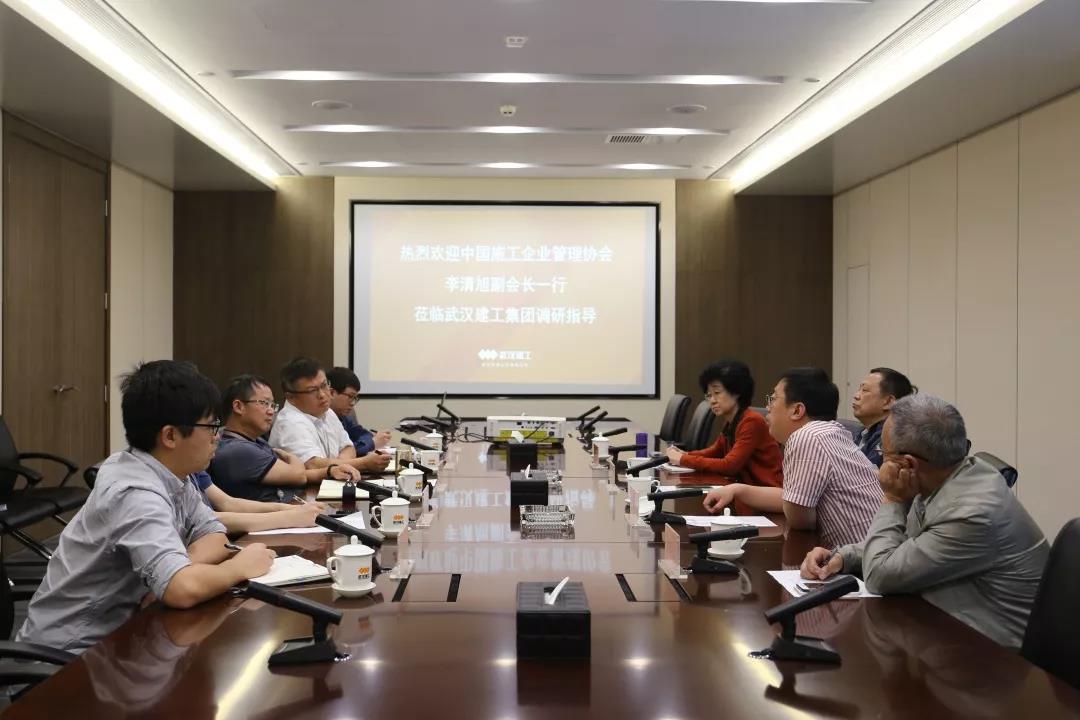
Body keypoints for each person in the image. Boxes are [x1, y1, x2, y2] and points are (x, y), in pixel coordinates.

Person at [16, 361, 276, 653]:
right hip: (70, 654)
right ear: (170, 436)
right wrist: (236, 568)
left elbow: (214, 535)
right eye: (212, 426)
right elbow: (182, 590)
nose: (217, 437)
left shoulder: (172, 472)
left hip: (125, 636)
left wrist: (180, 572)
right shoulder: (134, 491)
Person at [800, 395, 1048, 649]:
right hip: (946, 629)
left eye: (883, 454)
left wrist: (892, 498)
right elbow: (909, 544)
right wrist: (843, 556)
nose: (880, 462)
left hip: (990, 656)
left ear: (907, 463)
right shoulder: (944, 476)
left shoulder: (971, 514)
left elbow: (880, 576)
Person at [716, 367, 882, 547]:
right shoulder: (830, 432)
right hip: (870, 549)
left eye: (773, 399)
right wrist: (737, 490)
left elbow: (799, 519)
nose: (767, 407)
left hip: (865, 559)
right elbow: (793, 499)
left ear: (797, 410)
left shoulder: (806, 437)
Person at [210, 374, 359, 503]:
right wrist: (291, 459)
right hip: (270, 523)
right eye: (264, 403)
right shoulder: (237, 450)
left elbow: (297, 474)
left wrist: (330, 471)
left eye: (272, 405)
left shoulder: (255, 441)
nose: (271, 411)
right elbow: (299, 475)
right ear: (238, 406)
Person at [666, 360, 784, 513]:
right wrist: (686, 454)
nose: (712, 400)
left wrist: (683, 459)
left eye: (717, 393)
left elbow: (730, 465)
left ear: (736, 391)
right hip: (746, 497)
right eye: (709, 395)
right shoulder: (732, 421)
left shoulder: (751, 421)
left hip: (766, 499)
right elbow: (715, 451)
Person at [268, 357, 392, 475]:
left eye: (324, 385)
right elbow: (313, 464)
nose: (322, 395)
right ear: (291, 397)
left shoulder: (326, 411)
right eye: (312, 390)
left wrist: (341, 464)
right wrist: (363, 463)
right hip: (305, 489)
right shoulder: (290, 423)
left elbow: (348, 448)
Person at [190, 471, 327, 534]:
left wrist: (291, 509)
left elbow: (227, 502)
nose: (216, 437)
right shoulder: (235, 448)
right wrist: (289, 518)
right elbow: (204, 520)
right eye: (210, 428)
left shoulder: (193, 469)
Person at [851, 367, 917, 467]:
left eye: (864, 390)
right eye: (859, 389)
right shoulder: (863, 432)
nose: (856, 396)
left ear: (888, 401)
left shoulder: (892, 438)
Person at [326, 366, 391, 456]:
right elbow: (341, 453)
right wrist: (372, 443)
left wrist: (370, 443)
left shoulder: (345, 416)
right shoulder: (321, 420)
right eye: (350, 396)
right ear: (331, 393)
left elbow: (363, 435)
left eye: (355, 398)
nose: (352, 403)